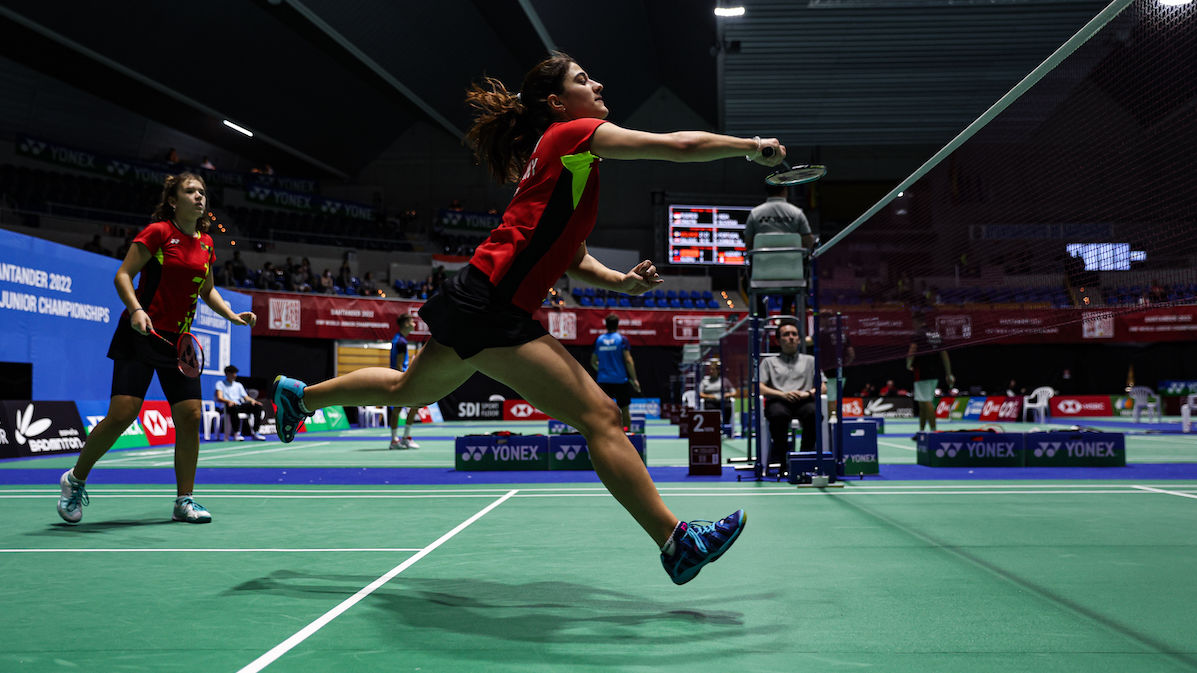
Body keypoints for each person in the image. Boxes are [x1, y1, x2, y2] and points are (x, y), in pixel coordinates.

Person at [269, 52, 781, 584]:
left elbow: (575, 259)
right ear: (558, 103)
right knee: (601, 417)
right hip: (494, 302)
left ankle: (298, 396)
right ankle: (676, 542)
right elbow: (678, 146)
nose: (598, 82)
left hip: (482, 294)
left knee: (407, 391)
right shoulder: (572, 135)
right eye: (584, 79)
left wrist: (622, 282)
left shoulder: (573, 162)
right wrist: (749, 147)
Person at [56, 172, 257, 525]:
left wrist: (231, 316)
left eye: (202, 192)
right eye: (190, 191)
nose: (199, 197)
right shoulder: (159, 232)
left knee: (191, 417)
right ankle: (75, 479)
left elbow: (207, 290)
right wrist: (136, 310)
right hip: (141, 332)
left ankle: (185, 499)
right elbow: (123, 275)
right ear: (173, 200)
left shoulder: (207, 243)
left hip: (178, 342)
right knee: (123, 413)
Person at [759, 320, 826, 474]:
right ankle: (782, 461)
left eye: (794, 334)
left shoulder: (811, 361)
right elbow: (759, 387)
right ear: (778, 340)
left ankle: (803, 458)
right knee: (778, 415)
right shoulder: (768, 362)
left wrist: (807, 393)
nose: (791, 337)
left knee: (814, 414)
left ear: (799, 339)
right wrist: (782, 394)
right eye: (786, 334)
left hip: (804, 401)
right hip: (779, 401)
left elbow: (822, 386)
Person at [743, 183, 814, 316]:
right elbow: (809, 241)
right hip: (794, 273)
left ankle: (762, 316)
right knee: (803, 265)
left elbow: (748, 244)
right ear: (785, 190)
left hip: (761, 273)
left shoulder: (755, 213)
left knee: (745, 280)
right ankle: (786, 309)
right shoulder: (797, 213)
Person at [906, 311, 954, 438]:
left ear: (916, 321)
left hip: (921, 372)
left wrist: (908, 364)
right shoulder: (935, 333)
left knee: (926, 402)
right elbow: (944, 353)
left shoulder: (917, 334)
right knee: (922, 403)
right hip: (935, 373)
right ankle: (921, 432)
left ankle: (934, 433)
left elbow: (912, 351)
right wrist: (948, 373)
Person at [591, 313, 640, 429]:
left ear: (606, 325)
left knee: (602, 411)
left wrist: (603, 370)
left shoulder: (599, 340)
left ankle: (602, 437)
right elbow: (628, 360)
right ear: (617, 325)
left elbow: (593, 362)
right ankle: (627, 437)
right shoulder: (622, 339)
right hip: (620, 381)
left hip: (603, 381)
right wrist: (634, 379)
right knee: (624, 410)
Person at [388, 314, 424, 449]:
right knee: (414, 406)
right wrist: (403, 381)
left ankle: (396, 440)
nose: (414, 323)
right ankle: (403, 438)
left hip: (398, 377)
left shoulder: (398, 339)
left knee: (398, 409)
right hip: (401, 378)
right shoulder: (401, 342)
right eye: (412, 321)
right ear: (406, 324)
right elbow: (398, 365)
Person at [214, 365, 266, 441]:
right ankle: (236, 433)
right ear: (227, 374)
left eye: (235, 373)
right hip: (227, 406)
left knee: (257, 407)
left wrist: (253, 401)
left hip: (239, 405)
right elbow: (219, 397)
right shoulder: (220, 384)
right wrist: (229, 401)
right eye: (233, 373)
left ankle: (255, 432)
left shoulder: (238, 385)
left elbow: (246, 397)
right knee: (233, 407)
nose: (235, 375)